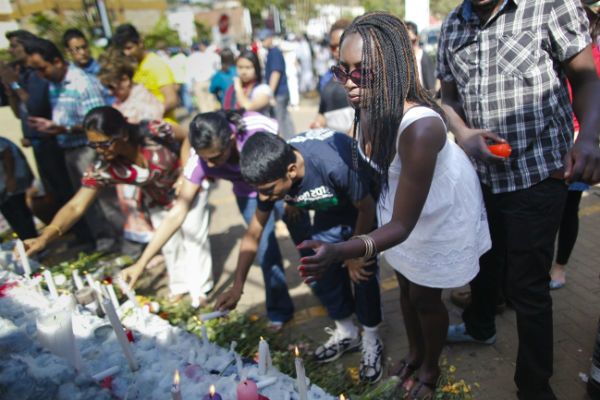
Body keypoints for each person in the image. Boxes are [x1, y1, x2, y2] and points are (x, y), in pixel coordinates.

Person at [298, 12, 490, 398]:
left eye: (362, 73)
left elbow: (402, 226)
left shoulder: (422, 127)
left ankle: (431, 370)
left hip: (437, 211)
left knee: (424, 296)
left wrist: (342, 250)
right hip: (400, 203)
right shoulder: (367, 104)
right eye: (342, 71)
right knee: (403, 285)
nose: (350, 84)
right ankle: (417, 352)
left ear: (391, 67)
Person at [438, 1, 600, 399]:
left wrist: (592, 137)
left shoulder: (550, 6)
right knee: (483, 261)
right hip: (482, 176)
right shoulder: (452, 26)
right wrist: (462, 133)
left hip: (539, 172)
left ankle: (532, 386)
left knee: (527, 286)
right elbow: (448, 100)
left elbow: (587, 81)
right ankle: (481, 327)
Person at [217, 129, 384, 383]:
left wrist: (353, 254)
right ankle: (346, 332)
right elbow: (253, 234)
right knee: (318, 266)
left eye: (271, 190)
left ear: (292, 172)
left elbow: (367, 206)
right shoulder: (275, 175)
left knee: (362, 271)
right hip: (329, 211)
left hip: (362, 207)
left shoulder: (334, 164)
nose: (267, 198)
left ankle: (372, 339)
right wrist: (238, 285)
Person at [22, 107, 210, 304]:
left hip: (189, 189)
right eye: (93, 146)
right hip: (157, 200)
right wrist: (46, 236)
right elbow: (76, 206)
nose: (100, 151)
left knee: (194, 238)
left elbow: (188, 136)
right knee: (169, 245)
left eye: (104, 144)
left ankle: (200, 290)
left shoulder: (154, 130)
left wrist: (186, 171)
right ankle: (179, 286)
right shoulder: (103, 167)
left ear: (123, 134)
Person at [165, 110, 295, 327]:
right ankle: (279, 312)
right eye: (206, 158)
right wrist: (142, 263)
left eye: (216, 157)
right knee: (265, 251)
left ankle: (336, 302)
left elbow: (284, 153)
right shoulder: (202, 159)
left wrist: (290, 197)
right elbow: (178, 212)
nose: (212, 165)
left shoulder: (254, 127)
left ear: (231, 140)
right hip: (249, 197)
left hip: (281, 188)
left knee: (306, 240)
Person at [24, 38, 122, 252]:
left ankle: (125, 242)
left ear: (57, 61)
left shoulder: (83, 83)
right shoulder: (54, 85)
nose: (41, 75)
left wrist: (63, 129)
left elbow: (99, 125)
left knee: (105, 201)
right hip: (69, 150)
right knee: (85, 203)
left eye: (42, 68)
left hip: (91, 150)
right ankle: (105, 243)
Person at [550, 3, 600, 289]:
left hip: (577, 139)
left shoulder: (592, 55)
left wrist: (587, 139)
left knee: (569, 208)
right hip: (552, 139)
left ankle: (560, 267)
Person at [0, 30, 74, 214]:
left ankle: (86, 234)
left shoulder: (38, 74)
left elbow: (35, 106)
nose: (10, 51)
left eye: (14, 45)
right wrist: (10, 89)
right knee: (55, 191)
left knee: (66, 189)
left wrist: (15, 84)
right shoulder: (22, 74)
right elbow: (19, 113)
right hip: (37, 143)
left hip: (52, 141)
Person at [112, 24, 179, 125]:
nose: (127, 53)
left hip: (164, 128)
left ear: (140, 43)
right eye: (123, 50)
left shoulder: (155, 64)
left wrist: (149, 117)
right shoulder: (136, 67)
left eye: (129, 48)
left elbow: (172, 100)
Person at [310, 19, 354, 133]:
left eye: (341, 44)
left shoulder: (362, 77)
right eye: (333, 47)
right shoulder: (327, 77)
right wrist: (318, 123)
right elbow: (323, 112)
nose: (337, 50)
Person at [257, 29, 296, 138]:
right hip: (281, 92)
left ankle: (289, 143)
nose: (262, 42)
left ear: (270, 38)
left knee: (280, 120)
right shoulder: (272, 52)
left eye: (263, 39)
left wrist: (270, 93)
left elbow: (275, 73)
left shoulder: (274, 52)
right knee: (285, 118)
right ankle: (292, 140)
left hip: (279, 93)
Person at [0, 136, 36, 240]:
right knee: (10, 215)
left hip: (11, 181)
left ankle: (32, 242)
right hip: (3, 185)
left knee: (19, 213)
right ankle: (26, 242)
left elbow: (7, 154)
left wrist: (10, 178)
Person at [223, 50, 272, 117]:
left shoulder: (263, 89)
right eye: (240, 67)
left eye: (248, 67)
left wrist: (238, 88)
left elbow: (247, 107)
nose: (243, 72)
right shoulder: (231, 89)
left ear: (256, 68)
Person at [187, 41, 220, 113]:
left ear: (192, 49)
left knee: (202, 104)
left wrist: (189, 87)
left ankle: (207, 120)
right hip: (208, 81)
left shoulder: (190, 58)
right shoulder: (205, 56)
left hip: (198, 83)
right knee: (211, 102)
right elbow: (212, 70)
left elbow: (189, 74)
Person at [404, 21, 436, 95]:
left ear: (418, 38)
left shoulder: (424, 58)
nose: (409, 45)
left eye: (412, 41)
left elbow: (431, 87)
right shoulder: (402, 60)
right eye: (406, 42)